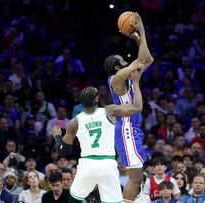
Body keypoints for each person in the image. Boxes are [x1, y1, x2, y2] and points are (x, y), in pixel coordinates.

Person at [52, 70, 144, 203]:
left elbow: (62, 151)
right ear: (96, 99)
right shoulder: (109, 110)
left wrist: (57, 137)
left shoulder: (74, 122)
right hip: (107, 164)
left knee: (73, 200)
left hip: (87, 164)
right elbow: (137, 107)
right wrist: (135, 82)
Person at [104, 12, 154, 202]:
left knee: (137, 178)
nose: (127, 62)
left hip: (132, 129)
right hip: (126, 130)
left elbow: (148, 60)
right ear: (117, 68)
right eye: (123, 62)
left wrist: (138, 39)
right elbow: (140, 61)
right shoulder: (117, 80)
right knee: (135, 178)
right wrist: (140, 29)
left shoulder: (129, 78)